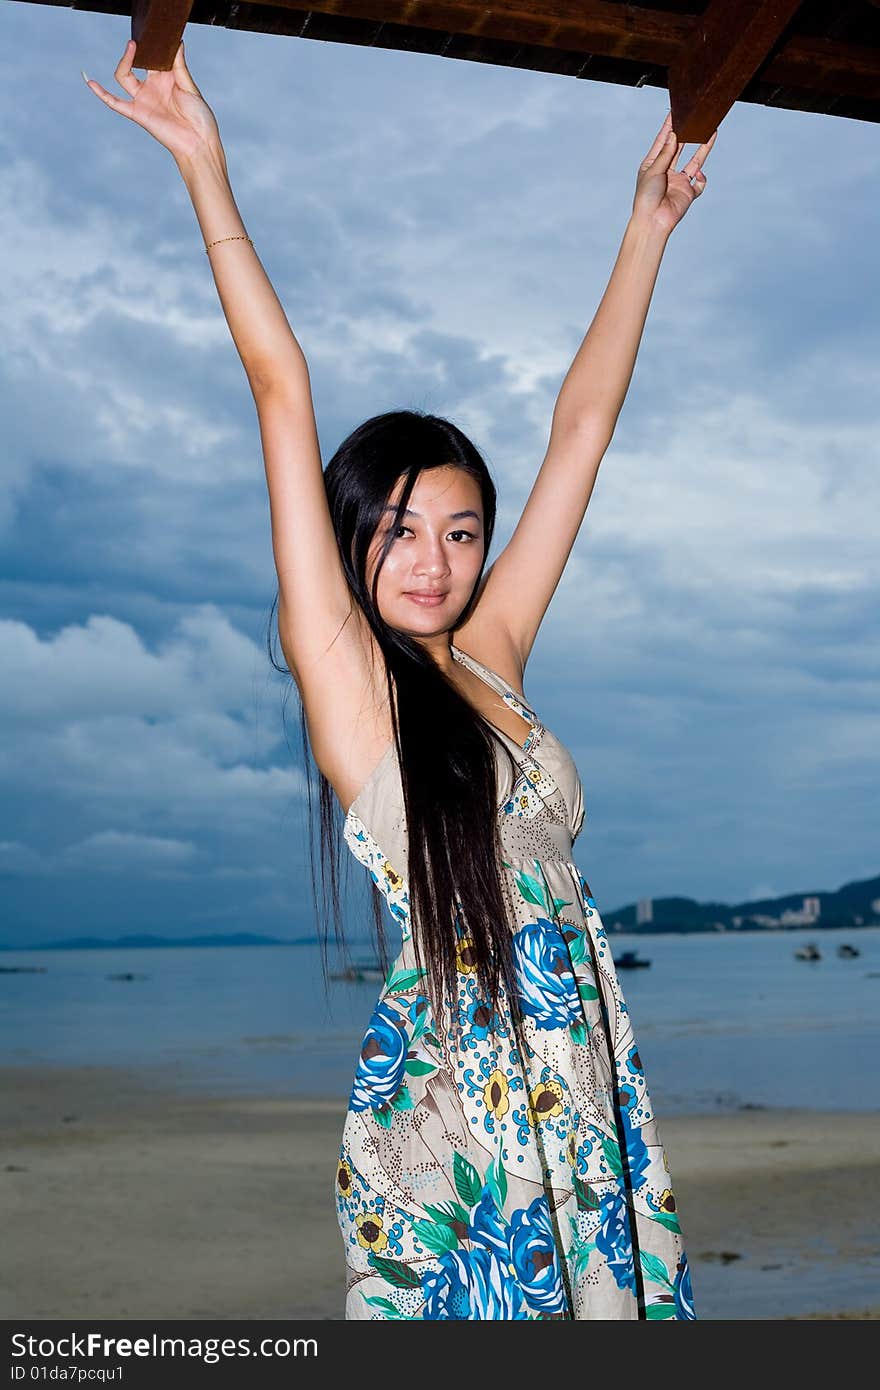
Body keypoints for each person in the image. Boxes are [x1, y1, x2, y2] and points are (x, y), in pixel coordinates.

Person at [84, 37, 715, 1320]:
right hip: (472, 1123)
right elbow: (281, 386)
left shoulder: (494, 656)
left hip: (584, 1093)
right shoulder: (349, 687)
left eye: (462, 530)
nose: (433, 561)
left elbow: (582, 428)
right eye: (401, 528)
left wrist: (646, 229)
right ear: (353, 533)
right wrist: (207, 170)